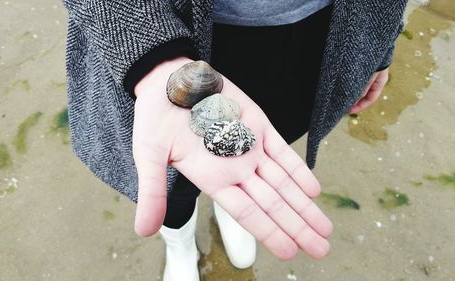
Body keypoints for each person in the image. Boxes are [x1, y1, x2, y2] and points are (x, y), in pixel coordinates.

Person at [62, 1, 407, 280]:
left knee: (269, 142)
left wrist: (381, 43)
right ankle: (179, 244)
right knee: (174, 182)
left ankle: (233, 208)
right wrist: (150, 54)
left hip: (320, 31)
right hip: (174, 23)